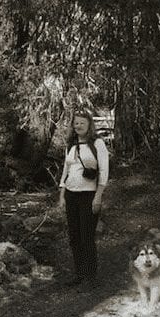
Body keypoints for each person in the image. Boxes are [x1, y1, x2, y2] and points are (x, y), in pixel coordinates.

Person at [58, 108, 109, 289]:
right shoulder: (71, 145)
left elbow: (104, 172)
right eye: (76, 123)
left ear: (89, 125)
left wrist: (98, 197)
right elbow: (66, 170)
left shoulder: (98, 144)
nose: (78, 126)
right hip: (71, 194)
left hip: (89, 195)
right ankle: (79, 274)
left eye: (82, 123)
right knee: (74, 237)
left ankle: (90, 277)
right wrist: (62, 195)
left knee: (87, 237)